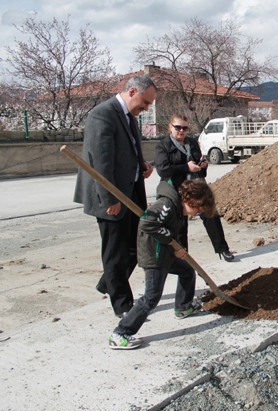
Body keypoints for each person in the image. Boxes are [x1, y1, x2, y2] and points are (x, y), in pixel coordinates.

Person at [74, 75, 156, 318]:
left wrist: (142, 164)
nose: (146, 108)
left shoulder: (129, 116)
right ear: (132, 92)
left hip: (130, 193)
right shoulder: (102, 115)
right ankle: (123, 307)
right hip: (110, 198)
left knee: (135, 248)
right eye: (145, 103)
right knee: (116, 253)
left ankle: (109, 283)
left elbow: (127, 149)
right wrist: (109, 199)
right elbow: (101, 163)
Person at [109, 179, 215, 350]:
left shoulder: (177, 209)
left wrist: (177, 247)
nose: (197, 213)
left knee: (187, 271)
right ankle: (120, 333)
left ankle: (183, 307)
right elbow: (147, 223)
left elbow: (171, 230)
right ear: (190, 201)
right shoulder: (165, 205)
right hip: (154, 256)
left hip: (165, 253)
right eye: (198, 209)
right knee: (151, 298)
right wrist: (170, 242)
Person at [155, 114, 235, 262]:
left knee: (211, 215)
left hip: (196, 187)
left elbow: (199, 164)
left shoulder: (192, 143)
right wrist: (186, 167)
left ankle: (222, 249)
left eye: (184, 128)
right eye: (177, 127)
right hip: (176, 190)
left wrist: (202, 165)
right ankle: (183, 257)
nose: (181, 131)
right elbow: (163, 169)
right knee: (180, 225)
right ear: (170, 127)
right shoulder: (163, 146)